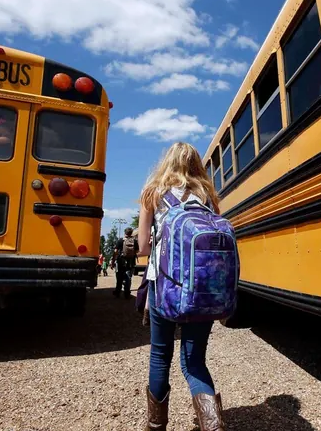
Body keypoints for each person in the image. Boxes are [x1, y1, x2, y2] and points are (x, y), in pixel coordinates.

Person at [136, 142, 226, 431]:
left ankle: (155, 425)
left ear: (167, 162)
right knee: (194, 361)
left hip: (164, 288)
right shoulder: (206, 195)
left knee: (160, 355)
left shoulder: (153, 192)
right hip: (202, 289)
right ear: (196, 164)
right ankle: (213, 426)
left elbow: (142, 247)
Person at [112, 227, 138, 298]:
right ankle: (127, 294)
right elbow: (137, 251)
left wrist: (113, 261)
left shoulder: (120, 240)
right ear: (131, 233)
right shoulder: (134, 241)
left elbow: (115, 252)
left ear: (125, 233)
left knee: (119, 277)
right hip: (130, 262)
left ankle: (118, 292)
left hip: (120, 261)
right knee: (128, 278)